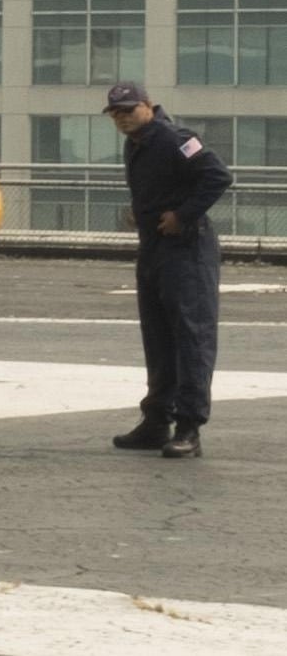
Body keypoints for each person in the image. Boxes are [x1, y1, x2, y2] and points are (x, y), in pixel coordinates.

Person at [104, 80, 232, 459]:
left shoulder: (177, 139)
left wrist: (183, 215)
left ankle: (189, 427)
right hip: (154, 249)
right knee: (157, 337)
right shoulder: (136, 143)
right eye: (115, 113)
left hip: (187, 250)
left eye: (129, 110)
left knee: (191, 337)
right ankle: (157, 420)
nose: (122, 118)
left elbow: (218, 176)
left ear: (148, 105)